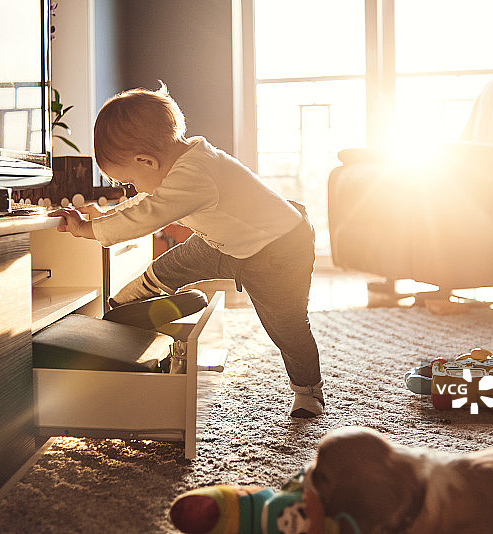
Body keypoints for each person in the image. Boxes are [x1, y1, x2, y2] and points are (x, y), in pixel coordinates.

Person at [48, 83, 324, 418]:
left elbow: (148, 215)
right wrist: (107, 215)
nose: (131, 188)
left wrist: (89, 230)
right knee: (176, 262)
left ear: (146, 161)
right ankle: (129, 302)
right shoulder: (184, 163)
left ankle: (308, 391)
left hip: (277, 251)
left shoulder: (194, 173)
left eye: (128, 180)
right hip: (225, 241)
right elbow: (146, 201)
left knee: (286, 325)